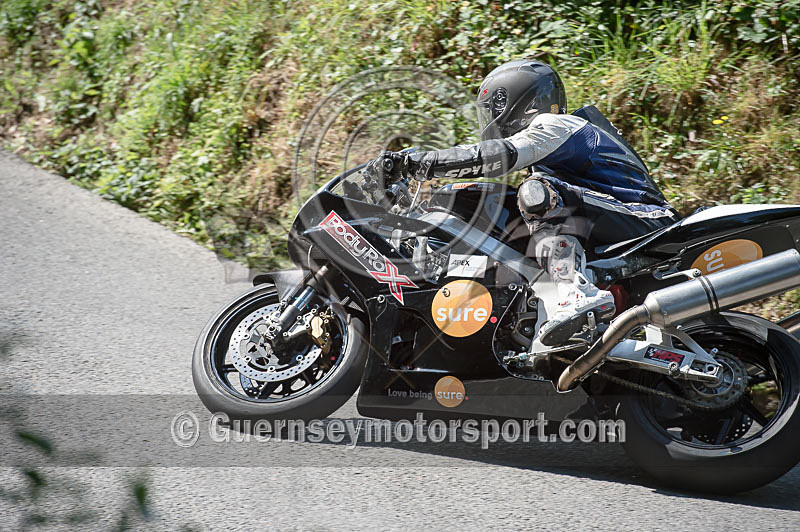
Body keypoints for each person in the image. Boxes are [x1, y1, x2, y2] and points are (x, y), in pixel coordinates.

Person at [365, 59, 677, 346]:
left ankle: (575, 293)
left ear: (514, 102)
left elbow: (495, 156)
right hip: (613, 222)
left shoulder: (558, 125)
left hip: (647, 219)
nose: (489, 121)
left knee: (536, 193)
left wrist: (414, 163)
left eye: (491, 110)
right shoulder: (554, 154)